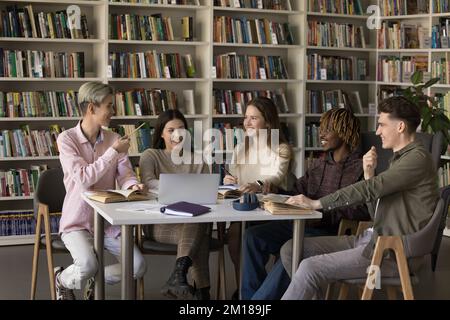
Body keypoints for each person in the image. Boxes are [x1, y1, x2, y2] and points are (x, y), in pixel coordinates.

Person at [280, 96, 439, 300]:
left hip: (391, 253)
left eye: (381, 124)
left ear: (400, 127)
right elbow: (376, 213)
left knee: (310, 267)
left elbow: (369, 189)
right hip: (371, 239)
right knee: (291, 250)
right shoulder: (400, 159)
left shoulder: (416, 159)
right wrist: (369, 173)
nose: (378, 131)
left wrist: (318, 203)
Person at [241, 108, 370, 300]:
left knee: (294, 247)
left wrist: (320, 209)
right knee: (253, 236)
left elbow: (360, 209)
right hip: (301, 223)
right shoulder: (318, 164)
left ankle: (258, 302)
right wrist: (275, 192)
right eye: (320, 128)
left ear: (344, 132)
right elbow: (296, 192)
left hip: (329, 231)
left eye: (328, 129)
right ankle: (254, 297)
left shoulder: (360, 168)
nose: (321, 133)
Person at [55, 82, 147, 300]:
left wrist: (133, 185)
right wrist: (112, 153)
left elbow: (125, 174)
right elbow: (84, 179)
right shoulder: (66, 139)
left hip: (107, 222)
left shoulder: (114, 139)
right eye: (109, 106)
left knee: (138, 266)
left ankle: (92, 282)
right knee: (87, 265)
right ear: (91, 108)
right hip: (77, 222)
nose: (113, 112)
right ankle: (61, 279)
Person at [223, 97, 293, 298]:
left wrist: (259, 184)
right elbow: (236, 179)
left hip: (271, 209)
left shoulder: (281, 148)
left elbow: (276, 177)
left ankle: (255, 292)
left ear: (268, 122)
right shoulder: (241, 148)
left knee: (246, 234)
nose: (247, 123)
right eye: (246, 117)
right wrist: (231, 180)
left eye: (253, 118)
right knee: (235, 236)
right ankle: (245, 290)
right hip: (245, 208)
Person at [139, 109, 211, 300]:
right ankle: (203, 294)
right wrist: (185, 188)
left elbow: (208, 191)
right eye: (171, 130)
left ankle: (179, 276)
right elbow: (148, 183)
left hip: (192, 222)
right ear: (161, 133)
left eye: (181, 129)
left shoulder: (198, 159)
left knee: (197, 220)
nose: (177, 135)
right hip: (159, 224)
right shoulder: (151, 155)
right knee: (200, 235)